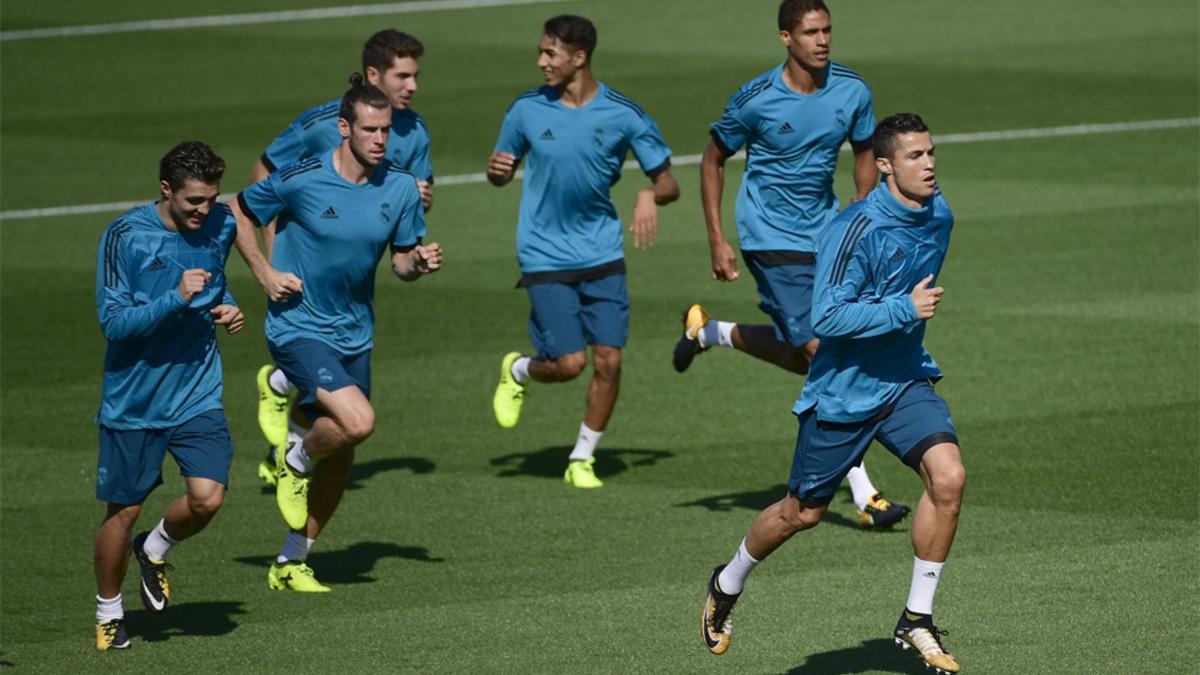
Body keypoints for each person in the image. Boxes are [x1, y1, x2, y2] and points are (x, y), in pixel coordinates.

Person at [699, 113, 965, 674]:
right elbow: (825, 316)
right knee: (801, 514)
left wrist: (901, 325)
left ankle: (916, 617)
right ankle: (727, 581)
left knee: (949, 477)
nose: (930, 163)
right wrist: (901, 309)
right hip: (844, 394)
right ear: (885, 165)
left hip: (904, 379)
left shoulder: (939, 215)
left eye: (932, 152)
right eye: (916, 156)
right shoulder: (854, 228)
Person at [674, 0, 907, 529]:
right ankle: (864, 493)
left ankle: (712, 333)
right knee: (823, 350)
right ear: (786, 38)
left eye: (827, 30)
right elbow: (712, 159)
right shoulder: (755, 98)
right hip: (769, 237)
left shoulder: (852, 90)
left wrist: (863, 202)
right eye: (810, 32)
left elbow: (867, 146)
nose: (822, 40)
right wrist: (716, 239)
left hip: (826, 232)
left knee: (808, 358)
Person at [231, 76, 443, 591]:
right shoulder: (302, 177)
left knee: (343, 452)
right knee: (359, 422)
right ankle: (293, 457)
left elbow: (399, 265)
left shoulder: (399, 187)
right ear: (344, 128)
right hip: (298, 325)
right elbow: (236, 209)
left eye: (386, 131)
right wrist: (264, 273)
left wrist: (418, 263)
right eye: (369, 129)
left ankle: (291, 560)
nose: (379, 139)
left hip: (354, 334)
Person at [487, 14, 680, 489]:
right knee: (569, 365)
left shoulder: (624, 114)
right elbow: (500, 170)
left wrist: (646, 195)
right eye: (541, 52)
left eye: (549, 53)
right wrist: (498, 171)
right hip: (544, 254)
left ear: (579, 57)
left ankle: (581, 457)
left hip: (601, 252)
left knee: (610, 361)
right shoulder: (526, 110)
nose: (541, 61)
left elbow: (668, 182)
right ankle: (519, 369)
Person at [251, 29, 433, 487]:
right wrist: (272, 262)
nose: (412, 85)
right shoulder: (319, 126)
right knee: (354, 417)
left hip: (352, 314)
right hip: (301, 300)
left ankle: (294, 546)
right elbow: (262, 180)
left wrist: (416, 210)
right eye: (403, 75)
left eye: (416, 76)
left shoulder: (416, 135)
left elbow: (403, 222)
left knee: (341, 432)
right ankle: (290, 444)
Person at [92, 141, 244, 650]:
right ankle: (109, 613)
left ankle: (154, 548)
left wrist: (227, 307)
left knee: (208, 498)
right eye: (194, 201)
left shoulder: (221, 225)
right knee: (122, 511)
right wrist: (175, 299)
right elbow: (114, 324)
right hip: (135, 399)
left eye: (212, 198)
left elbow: (216, 286)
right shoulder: (125, 237)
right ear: (166, 190)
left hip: (197, 389)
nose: (206, 211)